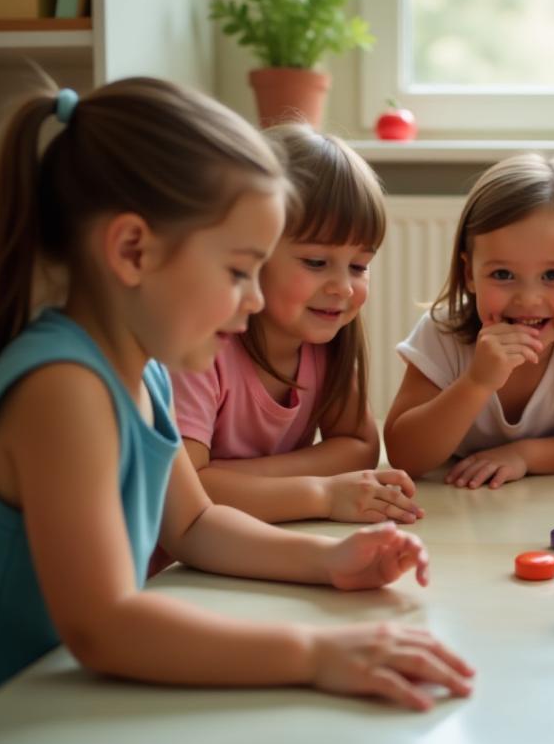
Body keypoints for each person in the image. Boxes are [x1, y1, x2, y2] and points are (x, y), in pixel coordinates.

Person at [0, 79, 472, 717]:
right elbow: (104, 627)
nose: (253, 300)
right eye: (237, 271)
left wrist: (330, 559)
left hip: (57, 702)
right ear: (133, 251)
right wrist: (315, 654)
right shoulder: (63, 391)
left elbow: (194, 525)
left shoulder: (144, 373)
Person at [172, 125, 420, 525]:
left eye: (359, 266)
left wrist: (228, 478)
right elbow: (188, 492)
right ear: (253, 252)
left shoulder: (324, 341)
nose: (342, 287)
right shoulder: (203, 347)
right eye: (316, 262)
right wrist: (320, 493)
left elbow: (359, 447)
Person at [384, 154, 554, 488]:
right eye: (503, 274)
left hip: (545, 498)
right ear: (469, 273)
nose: (528, 299)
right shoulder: (442, 333)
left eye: (553, 274)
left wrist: (522, 456)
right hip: (452, 498)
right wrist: (477, 382)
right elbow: (404, 456)